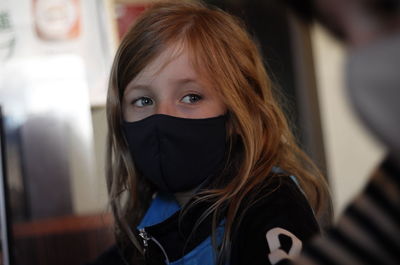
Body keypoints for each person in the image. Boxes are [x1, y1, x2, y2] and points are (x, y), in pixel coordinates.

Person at [88, 1, 331, 265]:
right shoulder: (153, 219)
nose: (162, 117)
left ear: (236, 115)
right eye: (143, 101)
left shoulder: (271, 205)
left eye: (191, 97)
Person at [273, 0, 400, 264]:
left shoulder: (272, 202)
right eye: (338, 32)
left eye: (386, 8)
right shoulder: (388, 197)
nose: (366, 64)